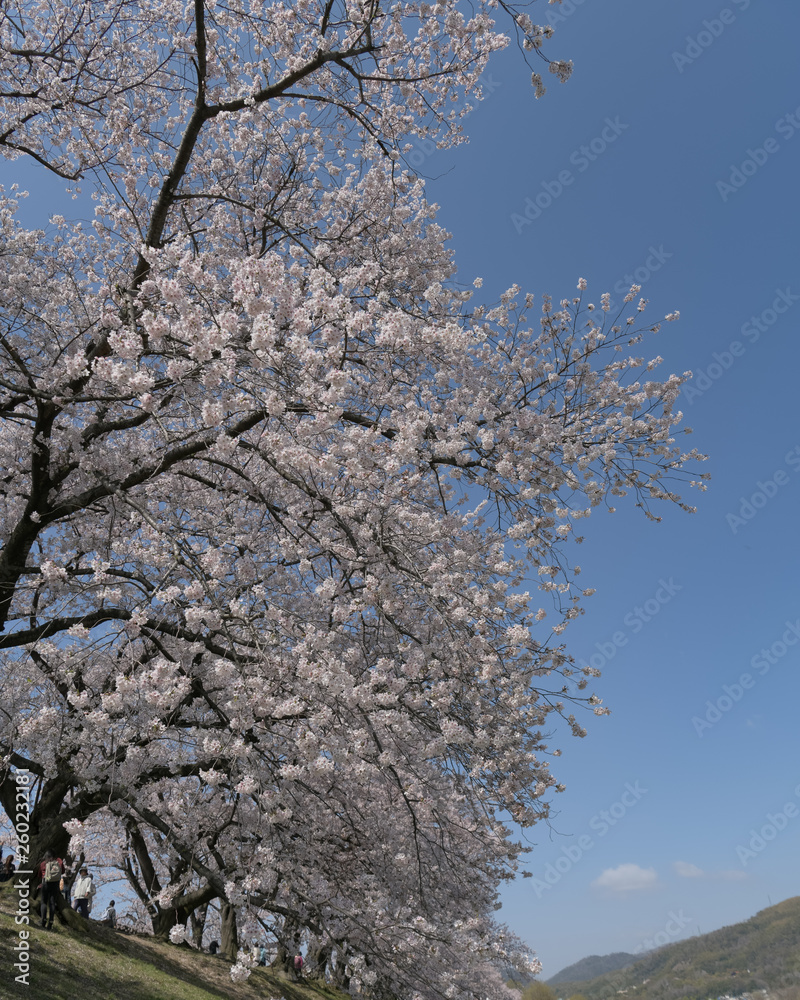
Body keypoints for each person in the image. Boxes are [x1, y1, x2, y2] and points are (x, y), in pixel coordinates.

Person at [37, 850, 64, 929]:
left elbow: (39, 874)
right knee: (52, 903)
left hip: (45, 884)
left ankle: (43, 920)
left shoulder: (43, 864)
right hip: (55, 884)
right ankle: (51, 922)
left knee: (44, 902)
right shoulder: (58, 863)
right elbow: (62, 871)